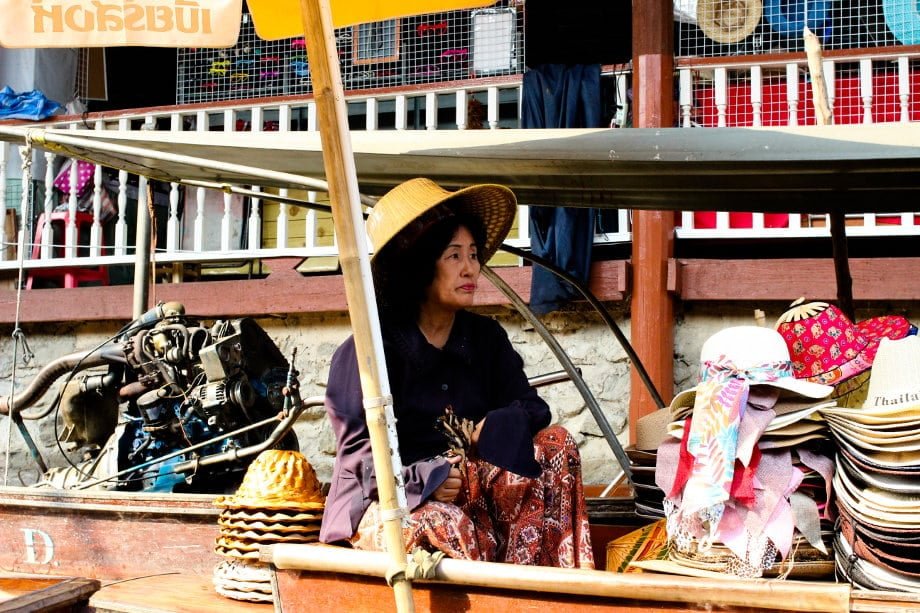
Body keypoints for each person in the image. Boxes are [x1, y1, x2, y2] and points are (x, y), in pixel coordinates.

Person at [319, 177, 594, 569]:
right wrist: (426, 478)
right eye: (453, 256)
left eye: (474, 254)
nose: (471, 269)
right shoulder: (367, 351)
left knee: (555, 446)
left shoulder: (484, 338)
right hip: (390, 502)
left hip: (468, 493)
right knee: (446, 524)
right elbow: (360, 461)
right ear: (419, 267)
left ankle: (535, 592)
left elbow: (534, 410)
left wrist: (492, 429)